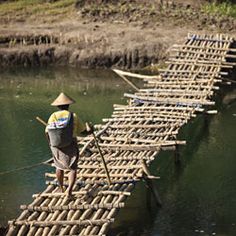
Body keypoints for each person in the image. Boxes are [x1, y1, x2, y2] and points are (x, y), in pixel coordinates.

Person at [45, 92, 92, 197]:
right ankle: (69, 191)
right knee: (72, 168)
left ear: (57, 106)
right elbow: (83, 132)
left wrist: (51, 145)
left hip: (56, 145)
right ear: (68, 105)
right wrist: (90, 130)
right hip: (71, 143)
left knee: (59, 167)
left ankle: (61, 188)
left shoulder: (53, 116)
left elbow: (47, 132)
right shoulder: (73, 116)